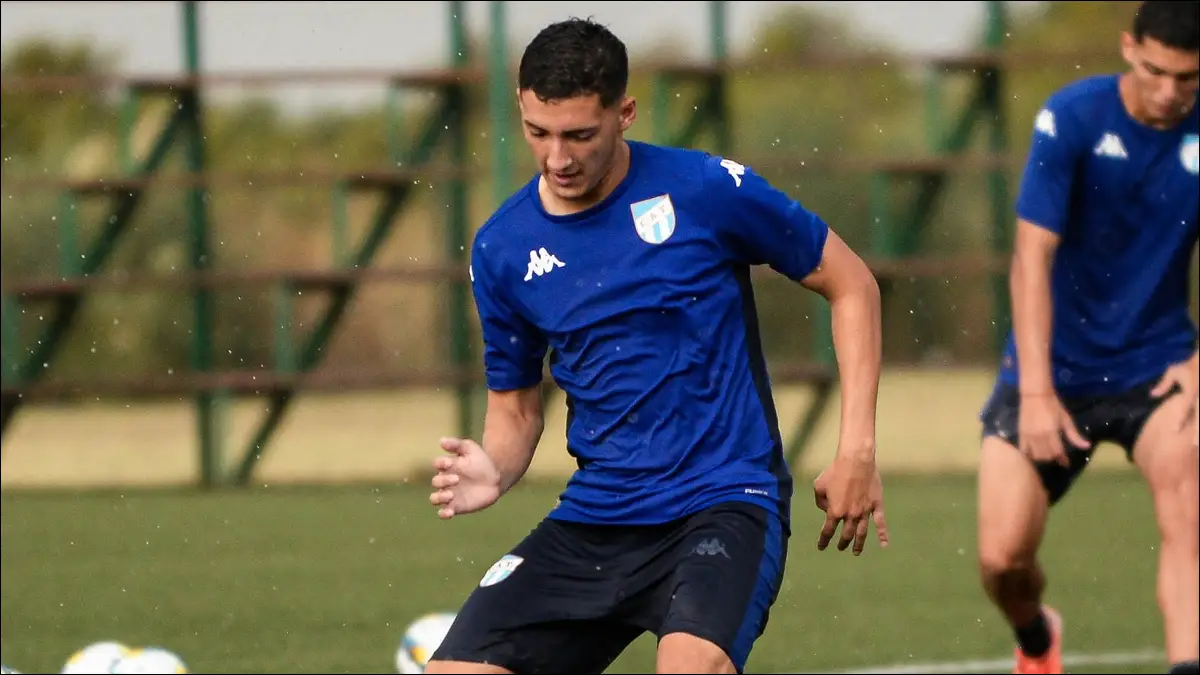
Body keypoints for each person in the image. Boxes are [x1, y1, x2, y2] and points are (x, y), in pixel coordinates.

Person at [424, 16, 889, 675]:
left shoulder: (704, 190)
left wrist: (857, 450)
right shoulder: (503, 248)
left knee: (690, 667)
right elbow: (516, 409)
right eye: (538, 132)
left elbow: (852, 284)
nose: (557, 158)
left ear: (625, 114)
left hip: (723, 500)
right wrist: (494, 468)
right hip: (598, 515)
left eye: (579, 135)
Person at [976, 2, 1199, 674]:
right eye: (1155, 71)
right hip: (1054, 369)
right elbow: (1031, 257)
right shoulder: (1072, 117)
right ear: (1129, 48)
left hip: (1157, 366)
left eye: (1187, 79)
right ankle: (1037, 637)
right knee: (1001, 558)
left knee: (1188, 518)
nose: (1169, 92)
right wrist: (1037, 392)